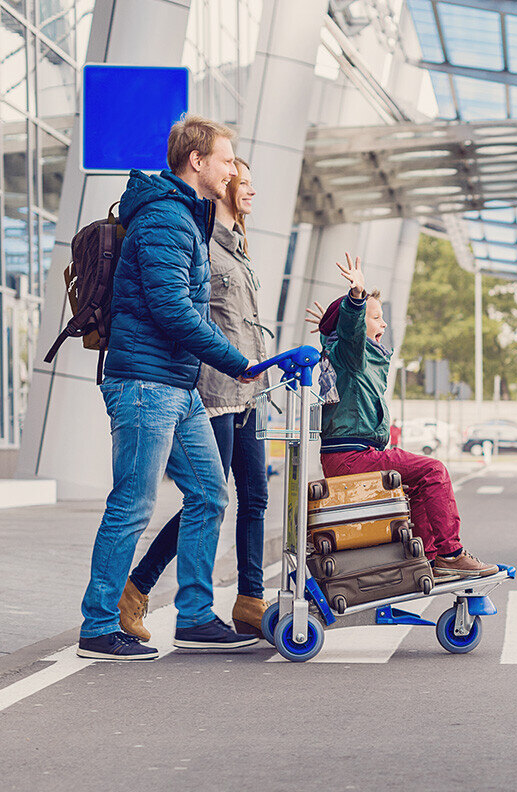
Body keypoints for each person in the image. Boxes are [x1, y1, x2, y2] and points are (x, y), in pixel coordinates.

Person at [77, 115, 260, 661]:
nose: (232, 170)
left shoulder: (183, 215)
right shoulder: (164, 217)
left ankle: (196, 616)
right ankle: (98, 625)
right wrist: (236, 362)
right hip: (143, 383)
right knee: (132, 504)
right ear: (197, 162)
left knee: (209, 492)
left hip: (174, 384)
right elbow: (172, 308)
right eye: (226, 161)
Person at [118, 157, 272, 642]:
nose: (245, 187)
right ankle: (138, 586)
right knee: (206, 497)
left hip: (251, 390)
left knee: (254, 496)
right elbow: (188, 316)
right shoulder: (201, 241)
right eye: (239, 178)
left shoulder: (240, 249)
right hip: (214, 390)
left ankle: (250, 598)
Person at [306, 255, 497, 579]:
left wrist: (337, 321)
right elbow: (351, 329)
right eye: (377, 318)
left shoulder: (348, 355)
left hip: (353, 455)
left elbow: (345, 331)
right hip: (352, 456)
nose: (383, 325)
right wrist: (356, 298)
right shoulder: (351, 354)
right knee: (434, 470)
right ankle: (450, 553)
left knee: (421, 483)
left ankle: (432, 556)